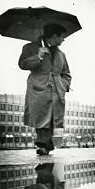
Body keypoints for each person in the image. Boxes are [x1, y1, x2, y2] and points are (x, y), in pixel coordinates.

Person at [18, 24, 71, 155]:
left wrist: (63, 85)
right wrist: (38, 56)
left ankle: (46, 146)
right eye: (62, 37)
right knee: (42, 118)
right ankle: (43, 146)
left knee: (52, 118)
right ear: (54, 36)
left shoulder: (61, 54)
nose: (63, 40)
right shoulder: (30, 47)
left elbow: (67, 73)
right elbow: (22, 64)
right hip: (38, 88)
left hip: (56, 90)